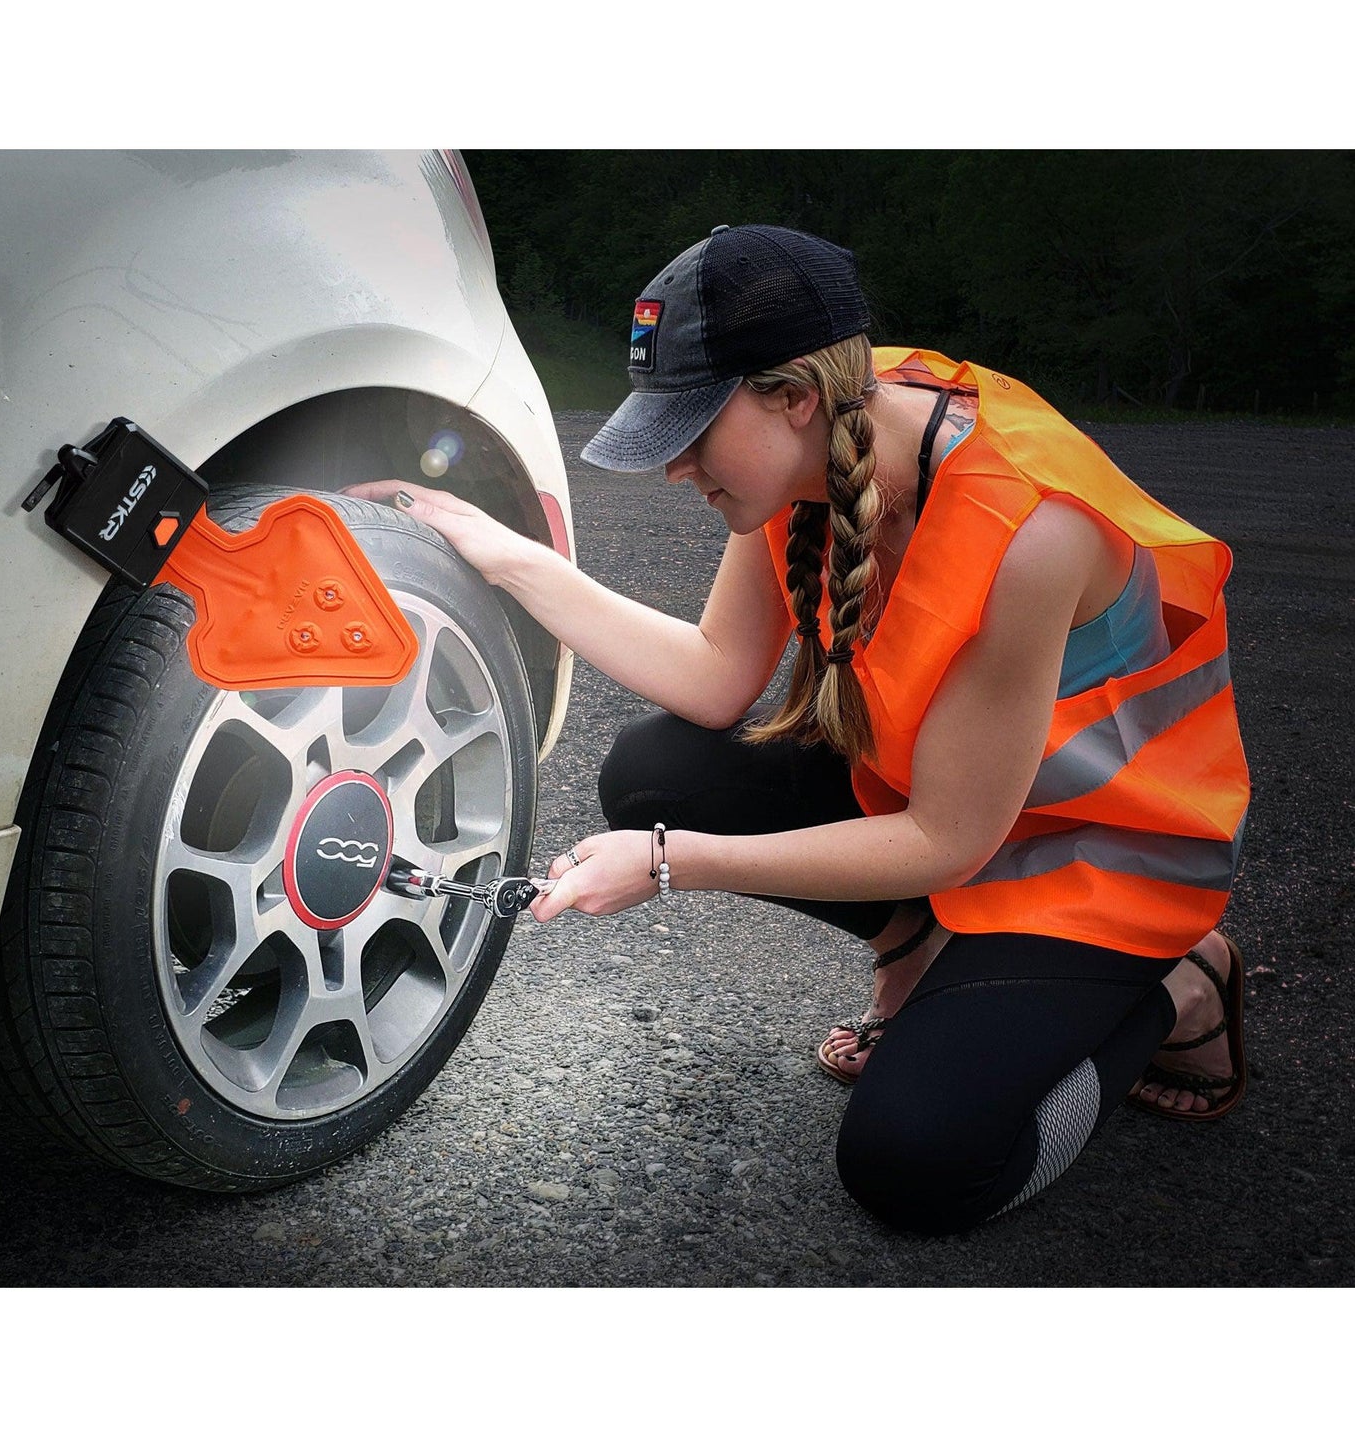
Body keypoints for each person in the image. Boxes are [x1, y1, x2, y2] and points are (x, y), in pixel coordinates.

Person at [344, 224, 1250, 1235]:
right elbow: (713, 676)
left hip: (1095, 857)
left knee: (917, 1164)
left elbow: (949, 839)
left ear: (793, 396)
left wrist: (672, 862)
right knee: (654, 770)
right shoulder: (827, 434)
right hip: (944, 802)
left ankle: (1175, 988)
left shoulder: (1030, 533)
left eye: (692, 430)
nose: (674, 467)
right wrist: (507, 556)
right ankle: (921, 942)